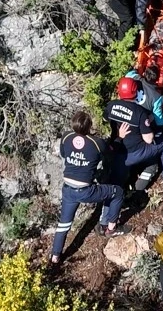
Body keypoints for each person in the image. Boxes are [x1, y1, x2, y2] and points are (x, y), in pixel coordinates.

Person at [50, 111, 129, 264]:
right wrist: (120, 137)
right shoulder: (96, 143)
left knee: (64, 225)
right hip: (86, 191)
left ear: (73, 124)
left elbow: (64, 153)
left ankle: (54, 257)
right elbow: (110, 152)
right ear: (90, 126)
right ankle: (111, 228)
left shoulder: (66, 137)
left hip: (67, 189)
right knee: (117, 192)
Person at [104, 76, 163, 189]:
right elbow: (148, 139)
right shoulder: (139, 112)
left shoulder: (110, 106)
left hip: (118, 151)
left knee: (115, 185)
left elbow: (106, 118)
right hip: (136, 151)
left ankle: (119, 196)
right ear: (135, 91)